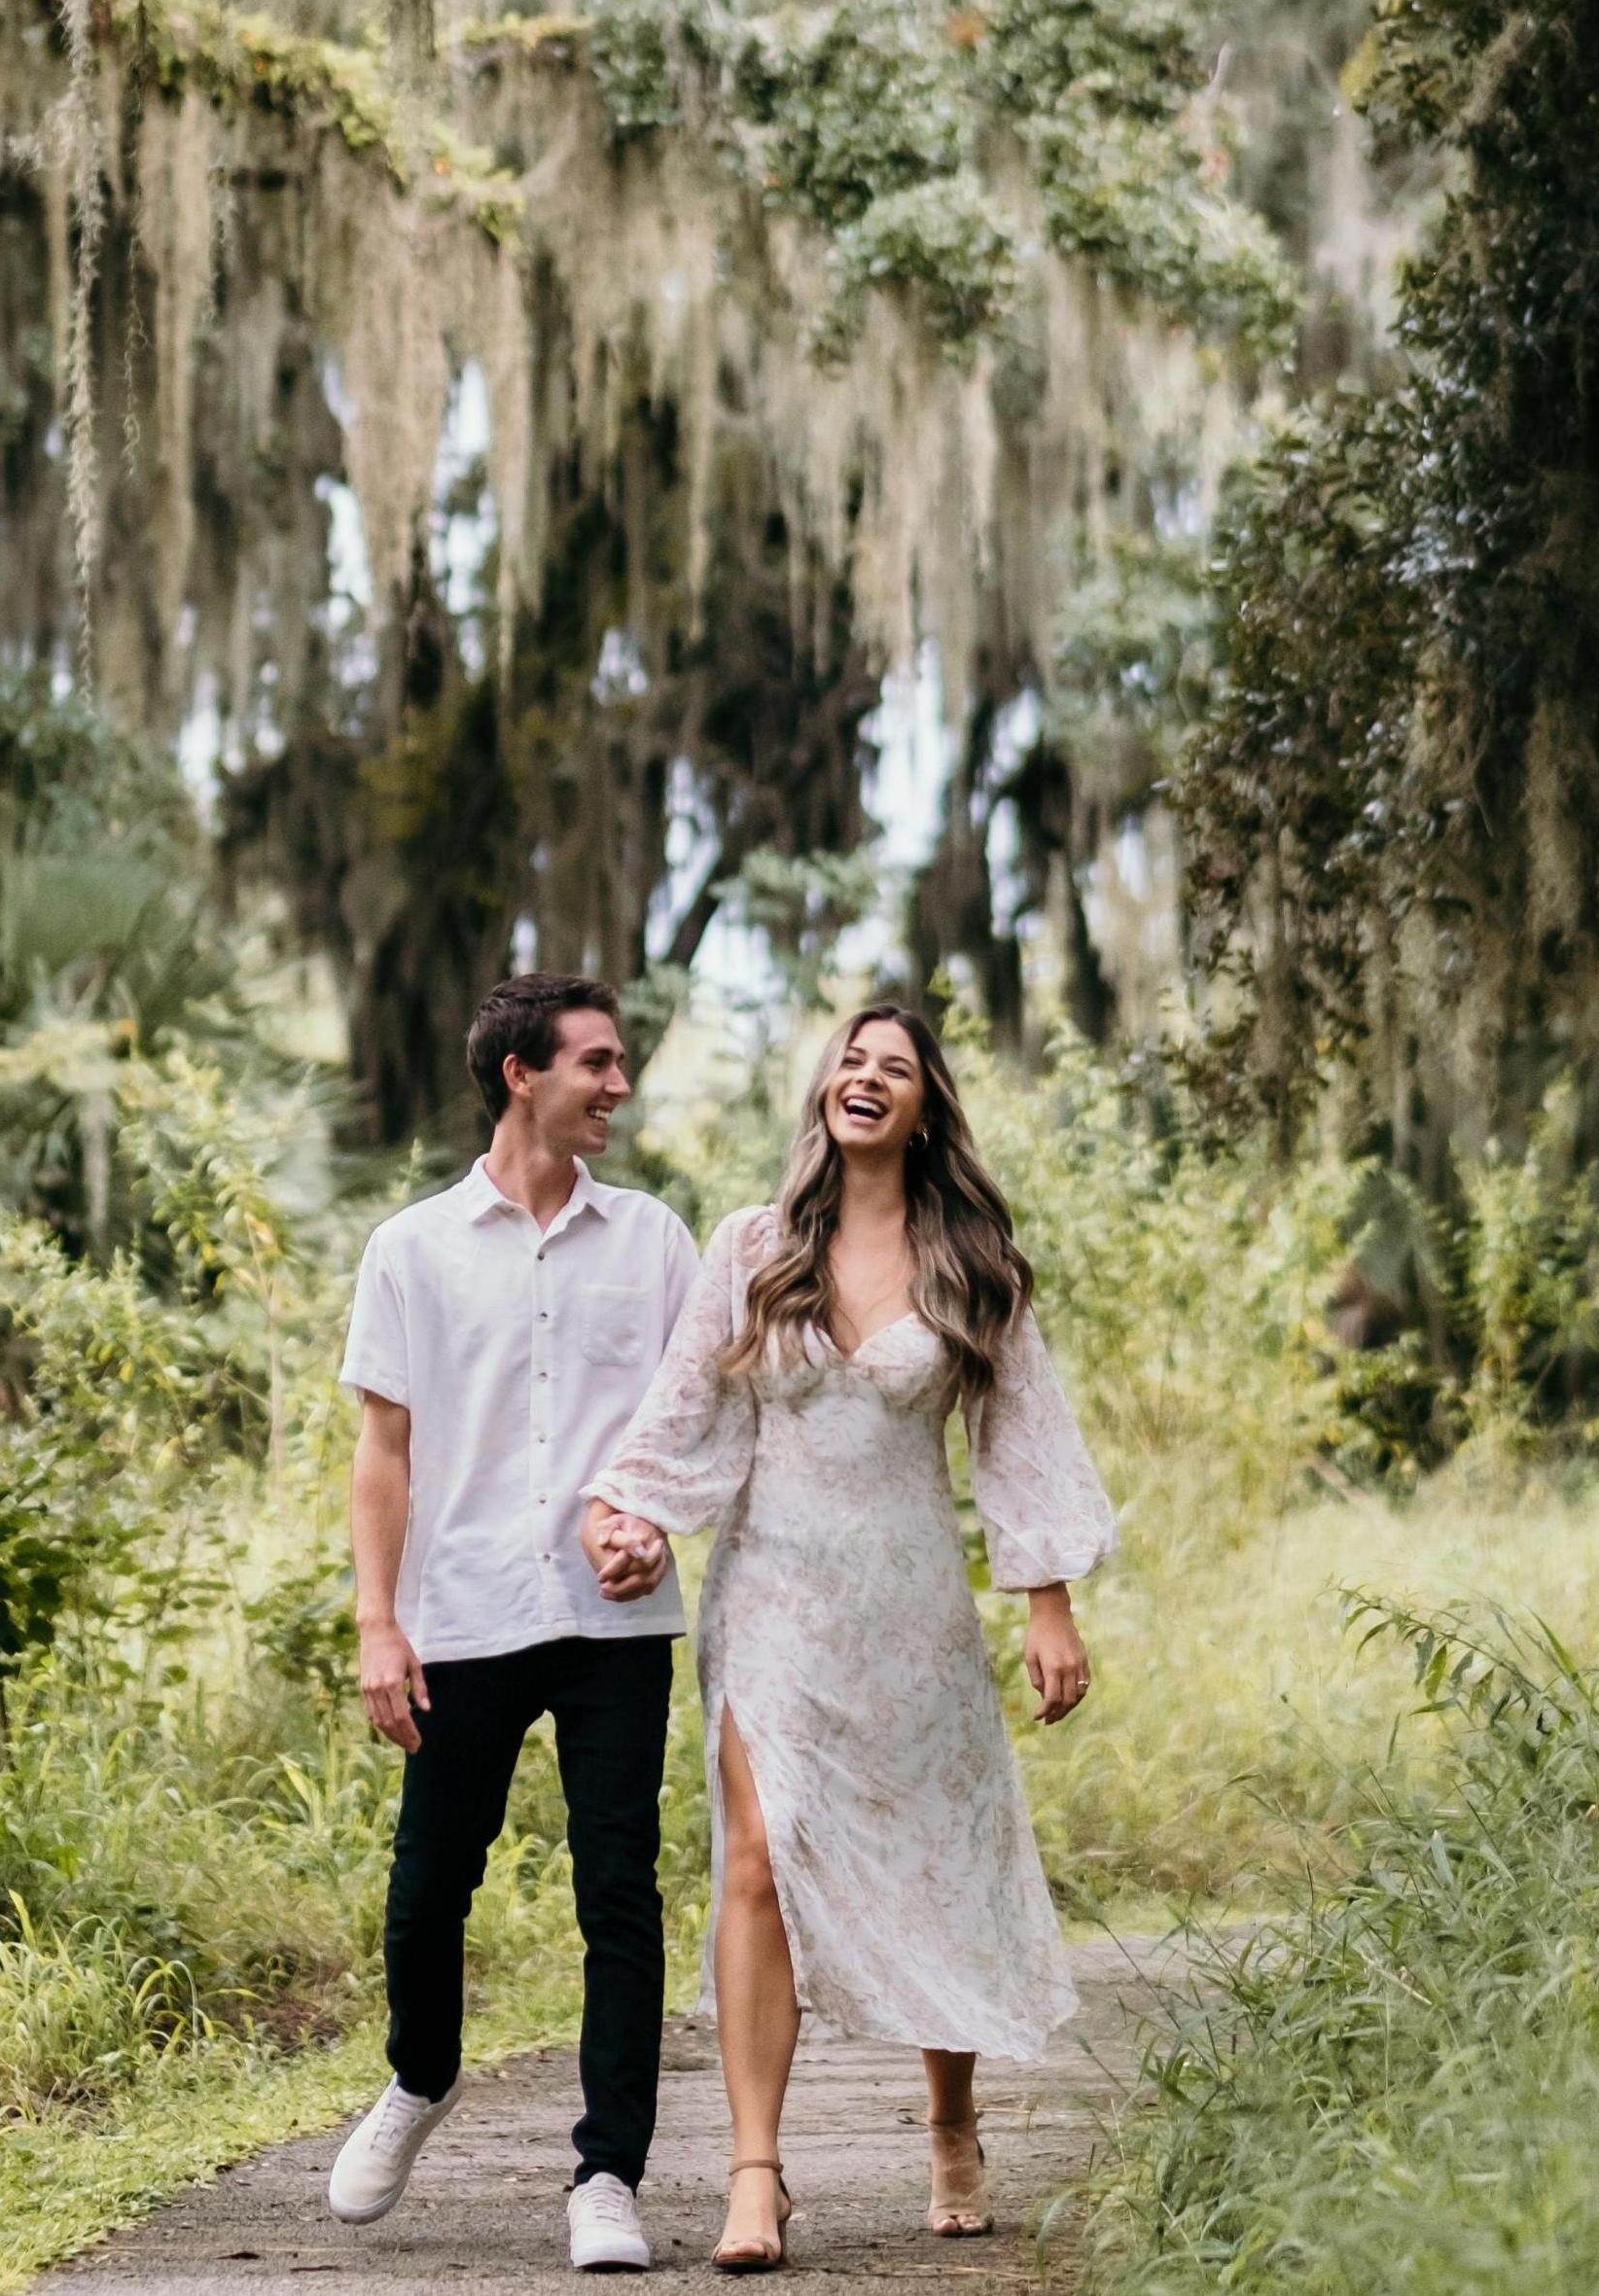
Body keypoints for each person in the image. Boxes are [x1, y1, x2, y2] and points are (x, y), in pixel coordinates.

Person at [581, 1002, 1116, 2275]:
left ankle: (949, 2121)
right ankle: (757, 2176)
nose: (865, 1080)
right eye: (851, 1062)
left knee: (934, 1861)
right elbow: (686, 1405)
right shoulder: (754, 1247)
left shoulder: (969, 1260)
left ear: (924, 1108)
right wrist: (628, 1511)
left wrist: (1045, 1599)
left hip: (912, 1608)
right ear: (827, 1091)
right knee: (755, 1859)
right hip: (771, 1598)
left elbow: (1021, 1435)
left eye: (895, 1070)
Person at [326, 973, 699, 2276]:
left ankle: (608, 2175)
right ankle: (421, 2080)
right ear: (520, 1076)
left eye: (621, 1062)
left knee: (621, 1897)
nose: (619, 1084)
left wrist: (648, 1515)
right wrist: (380, 1623)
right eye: (598, 1062)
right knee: (428, 1894)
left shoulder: (654, 1240)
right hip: (464, 1612)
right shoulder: (411, 1249)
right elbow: (385, 1451)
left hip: (614, 1620)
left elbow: (690, 1418)